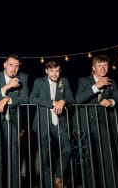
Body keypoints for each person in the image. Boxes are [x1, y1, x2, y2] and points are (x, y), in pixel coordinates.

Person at [74, 54, 118, 188]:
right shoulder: (84, 81)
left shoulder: (111, 82)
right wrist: (96, 86)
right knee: (88, 160)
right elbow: (78, 99)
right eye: (100, 66)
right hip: (85, 125)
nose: (103, 68)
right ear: (93, 68)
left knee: (108, 158)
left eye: (105, 65)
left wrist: (111, 101)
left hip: (103, 126)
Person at [29, 60, 74, 188]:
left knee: (67, 149)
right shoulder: (39, 82)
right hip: (42, 122)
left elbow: (71, 99)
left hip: (59, 122)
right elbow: (32, 99)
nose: (54, 74)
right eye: (51, 71)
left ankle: (58, 176)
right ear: (46, 71)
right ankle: (48, 184)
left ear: (60, 71)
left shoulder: (63, 82)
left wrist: (63, 101)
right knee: (44, 156)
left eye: (57, 71)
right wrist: (52, 102)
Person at [0, 53, 29, 188]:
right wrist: (6, 87)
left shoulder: (23, 78)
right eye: (11, 65)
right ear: (5, 65)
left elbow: (25, 98)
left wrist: (7, 99)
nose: (14, 69)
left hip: (14, 124)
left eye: (17, 66)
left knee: (14, 158)